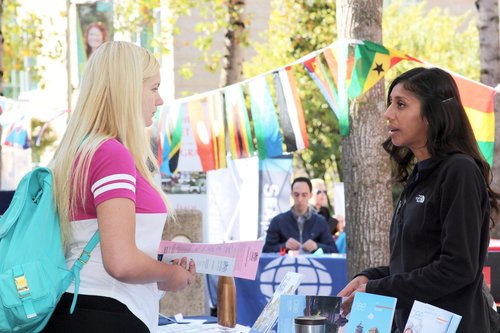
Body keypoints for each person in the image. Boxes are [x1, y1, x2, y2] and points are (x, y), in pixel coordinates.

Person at [42, 41, 196, 333]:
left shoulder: (81, 151)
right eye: (153, 88)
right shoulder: (110, 154)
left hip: (81, 308)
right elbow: (121, 262)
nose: (160, 100)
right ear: (127, 90)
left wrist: (159, 274)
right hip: (107, 312)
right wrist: (170, 274)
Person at [338, 67, 500, 332]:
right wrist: (371, 277)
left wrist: (379, 289)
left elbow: (458, 268)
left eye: (401, 104)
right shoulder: (420, 175)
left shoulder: (459, 171)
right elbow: (415, 265)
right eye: (391, 103)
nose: (388, 114)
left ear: (432, 114)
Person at [263, 177, 338, 254]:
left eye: (304, 195)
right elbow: (266, 250)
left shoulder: (320, 221)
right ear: (292, 195)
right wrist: (284, 246)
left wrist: (317, 246)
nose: (300, 199)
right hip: (287, 265)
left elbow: (333, 250)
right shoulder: (278, 221)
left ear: (310, 195)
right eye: (296, 194)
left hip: (313, 265)